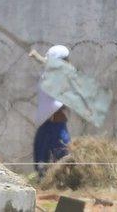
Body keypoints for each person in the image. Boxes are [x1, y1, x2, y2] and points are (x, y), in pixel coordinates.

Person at [33, 45, 72, 176]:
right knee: (43, 165)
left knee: (62, 164)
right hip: (49, 126)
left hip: (57, 126)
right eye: (65, 60)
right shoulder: (49, 76)